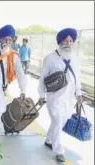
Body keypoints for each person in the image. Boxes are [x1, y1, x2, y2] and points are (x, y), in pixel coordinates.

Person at [38, 28, 83, 162]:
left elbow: (77, 78)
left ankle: (49, 140)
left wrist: (79, 93)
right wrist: (41, 95)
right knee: (57, 121)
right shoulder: (50, 58)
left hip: (69, 98)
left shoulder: (75, 58)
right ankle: (59, 151)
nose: (68, 43)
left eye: (70, 40)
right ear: (60, 41)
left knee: (60, 122)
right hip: (54, 98)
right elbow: (42, 78)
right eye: (65, 40)